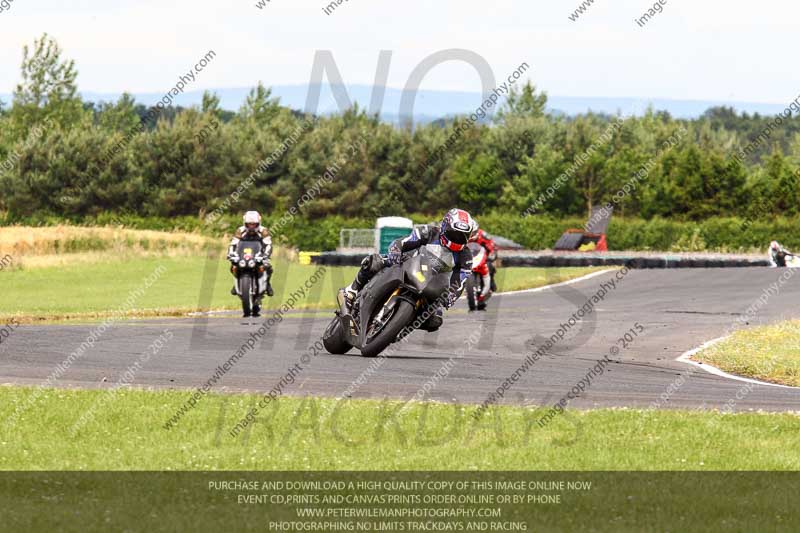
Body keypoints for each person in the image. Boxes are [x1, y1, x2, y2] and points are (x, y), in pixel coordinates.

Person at [343, 208, 478, 332]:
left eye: (463, 236)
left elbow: (460, 281)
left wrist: (452, 295)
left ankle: (399, 328)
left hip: (434, 286)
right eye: (455, 234)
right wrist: (396, 250)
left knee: (435, 320)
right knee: (373, 262)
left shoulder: (466, 256)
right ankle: (352, 291)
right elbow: (405, 241)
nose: (458, 239)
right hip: (408, 264)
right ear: (445, 226)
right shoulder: (429, 232)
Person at [227, 211, 274, 300]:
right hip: (244, 254)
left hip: (259, 253)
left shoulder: (263, 231)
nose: (251, 227)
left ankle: (267, 284)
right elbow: (233, 244)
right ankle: (238, 281)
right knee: (233, 266)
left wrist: (266, 255)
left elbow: (268, 244)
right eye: (249, 224)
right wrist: (231, 253)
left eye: (254, 224)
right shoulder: (240, 230)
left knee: (268, 267)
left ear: (258, 223)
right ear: (245, 223)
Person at [470, 227, 498, 292]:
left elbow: (491, 244)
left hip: (484, 256)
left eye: (473, 232)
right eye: (470, 232)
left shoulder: (483, 235)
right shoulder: (463, 236)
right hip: (470, 257)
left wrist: (492, 253)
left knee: (489, 265)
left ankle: (491, 281)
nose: (472, 234)